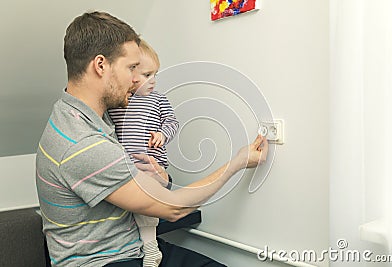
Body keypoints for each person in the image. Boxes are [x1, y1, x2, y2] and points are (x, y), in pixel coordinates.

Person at [35, 11, 268, 267]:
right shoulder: (82, 142)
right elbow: (173, 209)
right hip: (103, 262)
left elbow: (132, 181)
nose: (137, 79)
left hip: (134, 248)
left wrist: (162, 178)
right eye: (131, 68)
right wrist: (237, 162)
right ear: (100, 66)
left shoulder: (92, 116)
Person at [108, 39, 179, 267]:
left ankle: (151, 249)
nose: (153, 81)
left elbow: (172, 121)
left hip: (151, 165)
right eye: (147, 75)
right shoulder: (120, 103)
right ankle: (141, 246)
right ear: (130, 75)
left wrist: (163, 134)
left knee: (145, 208)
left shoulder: (158, 99)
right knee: (128, 208)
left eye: (155, 74)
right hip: (127, 167)